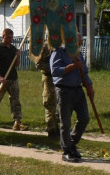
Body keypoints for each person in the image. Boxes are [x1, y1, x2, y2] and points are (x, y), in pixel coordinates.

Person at [50, 34, 92, 162]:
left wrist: (89, 86)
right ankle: (66, 151)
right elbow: (55, 71)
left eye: (81, 43)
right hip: (64, 90)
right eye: (77, 42)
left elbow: (84, 72)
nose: (79, 45)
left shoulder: (78, 54)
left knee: (84, 118)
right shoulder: (58, 52)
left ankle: (71, 143)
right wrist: (72, 67)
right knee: (66, 122)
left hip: (78, 90)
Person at [0, 28, 22, 130]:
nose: (10, 40)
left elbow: (16, 64)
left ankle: (17, 122)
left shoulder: (13, 49)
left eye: (12, 38)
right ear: (4, 36)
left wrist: (18, 57)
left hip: (12, 78)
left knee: (15, 100)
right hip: (0, 79)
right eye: (8, 37)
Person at [36, 41, 60, 137]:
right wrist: (54, 69)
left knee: (59, 103)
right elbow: (39, 64)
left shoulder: (61, 46)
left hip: (60, 78)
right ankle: (51, 128)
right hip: (49, 78)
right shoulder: (46, 47)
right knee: (49, 103)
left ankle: (57, 125)